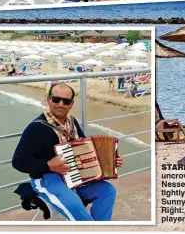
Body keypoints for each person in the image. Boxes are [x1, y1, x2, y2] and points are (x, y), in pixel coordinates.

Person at [11, 83, 124, 221]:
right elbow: (18, 161)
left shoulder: (72, 122)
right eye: (56, 99)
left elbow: (86, 147)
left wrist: (112, 161)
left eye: (66, 101)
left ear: (71, 104)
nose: (60, 104)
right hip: (48, 179)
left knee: (108, 191)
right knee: (74, 204)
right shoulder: (36, 128)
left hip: (76, 176)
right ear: (48, 99)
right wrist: (48, 165)